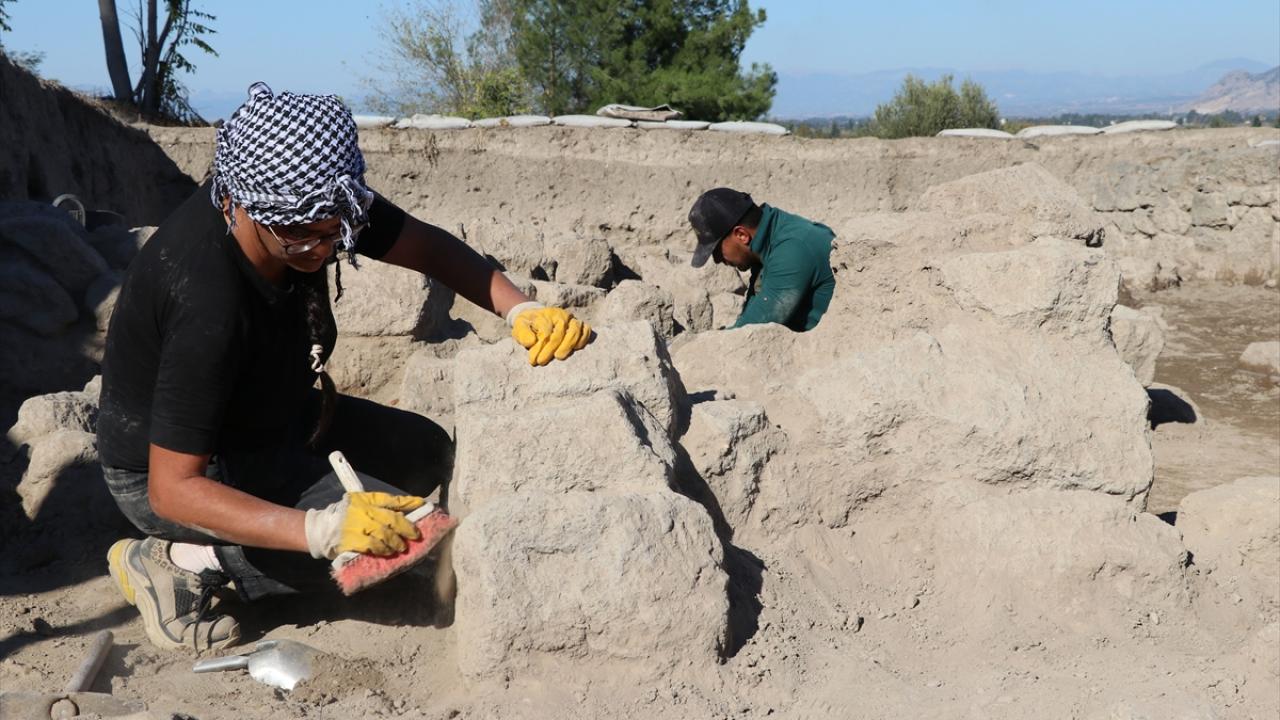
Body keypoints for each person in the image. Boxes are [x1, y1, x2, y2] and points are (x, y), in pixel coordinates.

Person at [97, 83, 589, 652]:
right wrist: (321, 529)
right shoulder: (206, 299)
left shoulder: (314, 198)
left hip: (273, 417)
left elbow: (428, 247)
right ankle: (184, 561)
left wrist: (519, 307)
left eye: (334, 234)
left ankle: (280, 525)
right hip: (177, 470)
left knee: (427, 453)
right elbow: (172, 490)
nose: (321, 249)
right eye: (302, 236)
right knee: (402, 550)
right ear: (242, 207)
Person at [688, 188, 835, 331]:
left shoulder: (793, 248)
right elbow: (749, 318)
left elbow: (754, 329)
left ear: (741, 235)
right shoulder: (765, 245)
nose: (717, 260)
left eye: (717, 251)